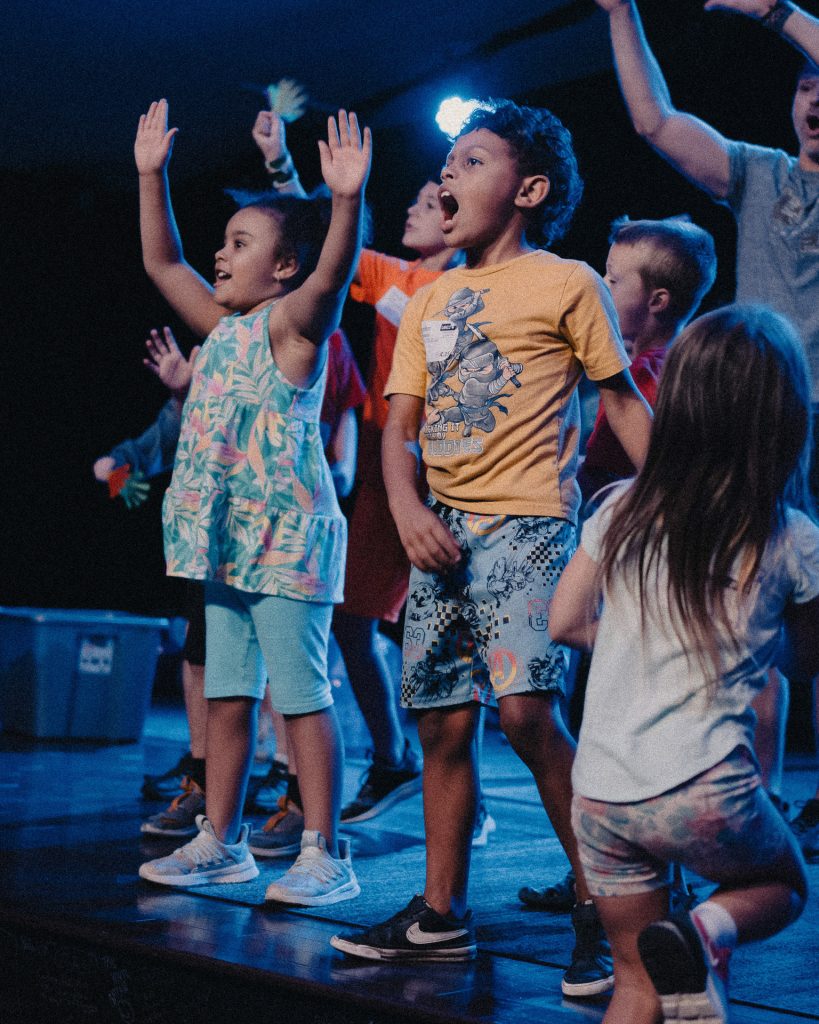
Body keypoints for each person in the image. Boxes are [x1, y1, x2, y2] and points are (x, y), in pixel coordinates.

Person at [329, 98, 652, 998]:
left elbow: (620, 403)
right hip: (441, 537)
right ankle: (439, 914)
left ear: (529, 189)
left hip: (530, 525)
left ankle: (601, 902)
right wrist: (405, 512)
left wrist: (686, 494)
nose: (446, 176)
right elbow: (398, 428)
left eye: (471, 161)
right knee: (440, 721)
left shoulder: (566, 282)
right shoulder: (433, 298)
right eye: (447, 163)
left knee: (524, 713)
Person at [550, 304, 817, 1024]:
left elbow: (563, 620)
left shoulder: (622, 506)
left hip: (600, 797)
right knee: (785, 885)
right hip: (701, 788)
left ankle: (690, 950)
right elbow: (804, 660)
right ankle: (705, 929)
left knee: (637, 983)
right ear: (783, 416)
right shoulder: (790, 537)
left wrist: (646, 647)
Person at [133, 98, 371, 907]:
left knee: (300, 696)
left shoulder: (294, 329)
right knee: (226, 693)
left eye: (240, 244)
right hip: (224, 541)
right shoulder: (220, 329)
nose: (218, 255)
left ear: (284, 267)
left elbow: (333, 273)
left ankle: (324, 850)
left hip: (287, 542)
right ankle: (220, 841)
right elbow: (165, 266)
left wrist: (344, 204)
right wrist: (150, 177)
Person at [594, 0, 819, 854]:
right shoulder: (762, 175)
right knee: (746, 597)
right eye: (803, 85)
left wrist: (775, 12)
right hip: (757, 416)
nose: (811, 98)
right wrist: (620, 12)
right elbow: (652, 120)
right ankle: (752, 801)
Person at [252, 109, 503, 842]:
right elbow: (321, 237)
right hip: (381, 468)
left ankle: (464, 793)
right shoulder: (393, 275)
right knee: (352, 622)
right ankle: (393, 760)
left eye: (429, 202)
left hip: (451, 476)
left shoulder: (480, 288)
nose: (413, 208)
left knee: (451, 642)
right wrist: (278, 164)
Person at [519, 214, 718, 913]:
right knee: (600, 728)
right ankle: (598, 872)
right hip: (602, 578)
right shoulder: (620, 367)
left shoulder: (652, 379)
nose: (600, 286)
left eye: (612, 278)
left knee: (629, 738)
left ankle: (644, 880)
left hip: (630, 587)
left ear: (656, 298)